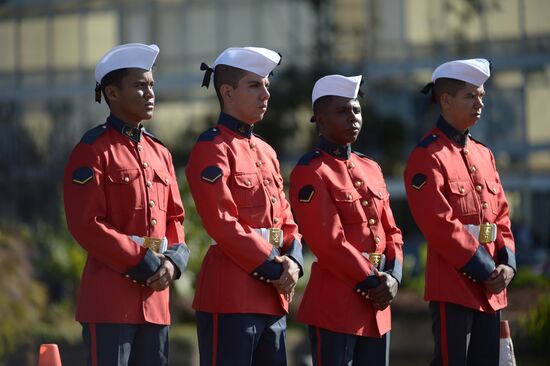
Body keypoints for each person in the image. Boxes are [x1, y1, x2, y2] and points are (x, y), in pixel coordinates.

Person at [64, 43, 189, 366]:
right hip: (109, 303)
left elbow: (176, 218)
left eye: (151, 85)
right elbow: (85, 224)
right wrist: (145, 262)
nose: (150, 93)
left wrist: (174, 261)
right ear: (112, 93)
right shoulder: (93, 150)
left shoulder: (160, 152)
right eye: (139, 85)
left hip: (156, 303)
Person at [185, 47, 304, 366]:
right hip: (231, 297)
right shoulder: (211, 148)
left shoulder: (266, 151)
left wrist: (294, 261)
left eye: (267, 85)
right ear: (227, 92)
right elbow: (222, 222)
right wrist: (274, 267)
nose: (266, 93)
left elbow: (286, 220)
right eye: (255, 85)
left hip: (274, 297)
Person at [404, 58, 516, 366]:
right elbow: (439, 224)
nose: (479, 103)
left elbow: (501, 216)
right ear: (446, 100)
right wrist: (486, 270)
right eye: (470, 96)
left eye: (481, 95)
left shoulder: (484, 154)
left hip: (492, 288)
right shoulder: (427, 156)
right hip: (454, 287)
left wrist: (508, 263)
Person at [289, 74, 404, 366]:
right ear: (320, 120)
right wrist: (373, 282)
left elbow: (392, 231)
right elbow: (328, 241)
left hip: (378, 306)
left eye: (356, 109)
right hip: (337, 305)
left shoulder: (371, 167)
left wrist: (393, 276)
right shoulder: (311, 170)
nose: (352, 117)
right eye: (342, 111)